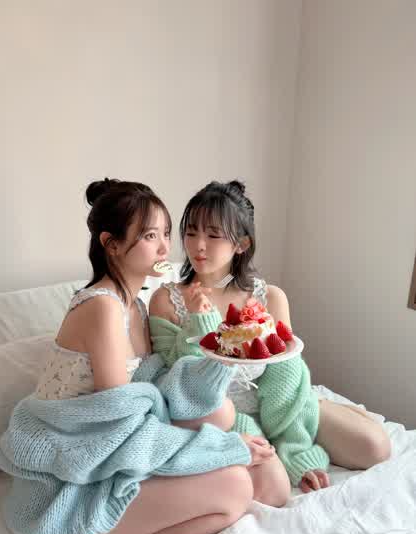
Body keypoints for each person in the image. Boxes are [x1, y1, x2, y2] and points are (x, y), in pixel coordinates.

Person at [0, 178, 282, 534]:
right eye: (150, 236)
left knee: (223, 416)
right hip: (71, 484)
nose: (165, 247)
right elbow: (119, 431)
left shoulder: (136, 307)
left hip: (110, 456)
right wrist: (224, 448)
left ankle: (144, 520)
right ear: (111, 244)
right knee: (236, 485)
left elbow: (165, 396)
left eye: (165, 233)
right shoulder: (102, 308)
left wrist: (219, 343)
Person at [149, 180, 391, 494]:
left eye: (213, 235)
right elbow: (183, 383)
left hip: (279, 405)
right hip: (220, 412)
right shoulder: (166, 300)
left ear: (241, 244)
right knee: (273, 487)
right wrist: (200, 321)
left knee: (377, 448)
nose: (199, 245)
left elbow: (284, 373)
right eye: (191, 232)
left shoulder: (270, 297)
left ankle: (320, 407)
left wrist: (297, 449)